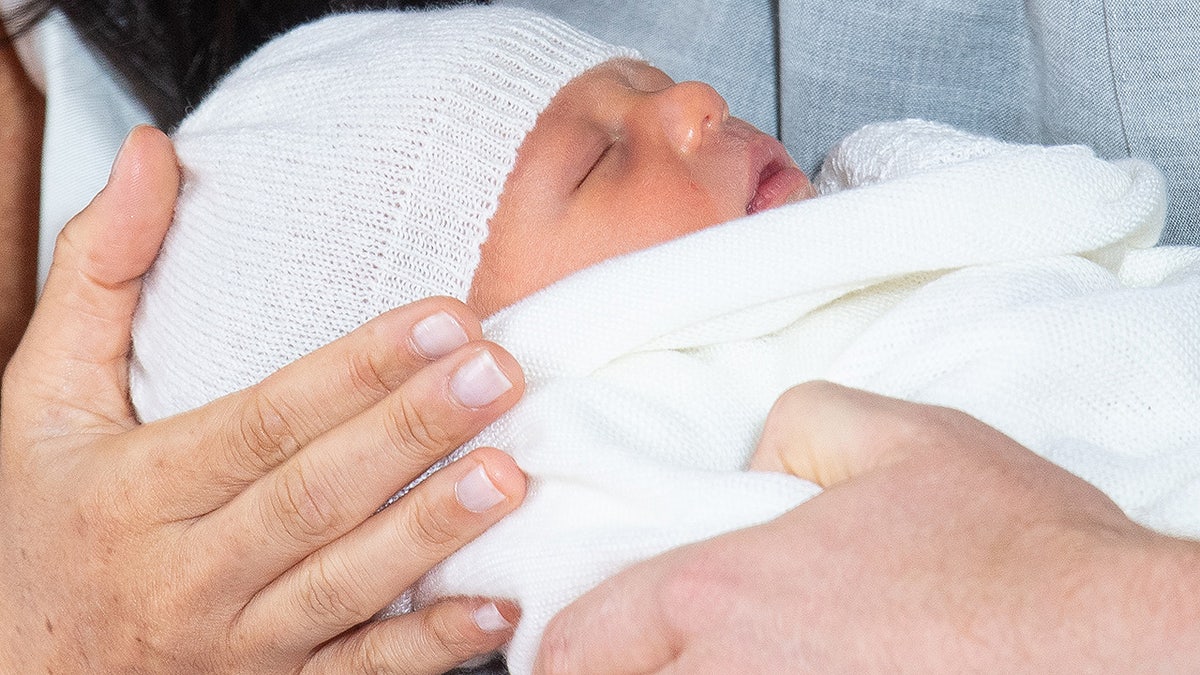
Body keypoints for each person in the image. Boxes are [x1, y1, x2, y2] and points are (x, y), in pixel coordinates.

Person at [2, 2, 1198, 674]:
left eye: (651, 80)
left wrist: (1110, 615)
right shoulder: (568, 467)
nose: (696, 105)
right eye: (598, 155)